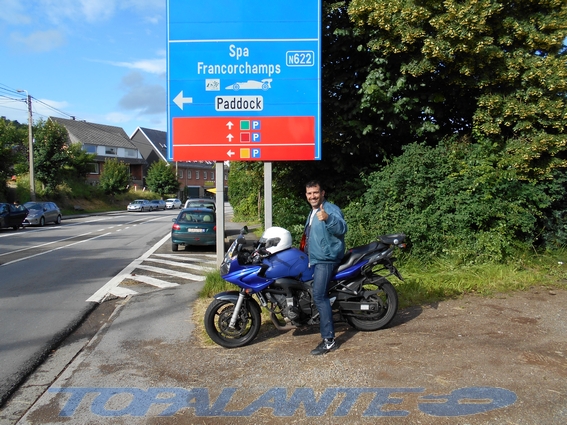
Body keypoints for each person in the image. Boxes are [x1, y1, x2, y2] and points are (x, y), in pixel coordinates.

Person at [302, 180, 347, 355]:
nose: (312, 196)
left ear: (322, 193)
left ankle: (329, 340)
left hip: (326, 259)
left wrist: (328, 219)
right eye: (309, 193)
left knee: (320, 296)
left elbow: (343, 228)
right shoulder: (313, 211)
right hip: (316, 258)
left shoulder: (330, 209)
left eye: (315, 192)